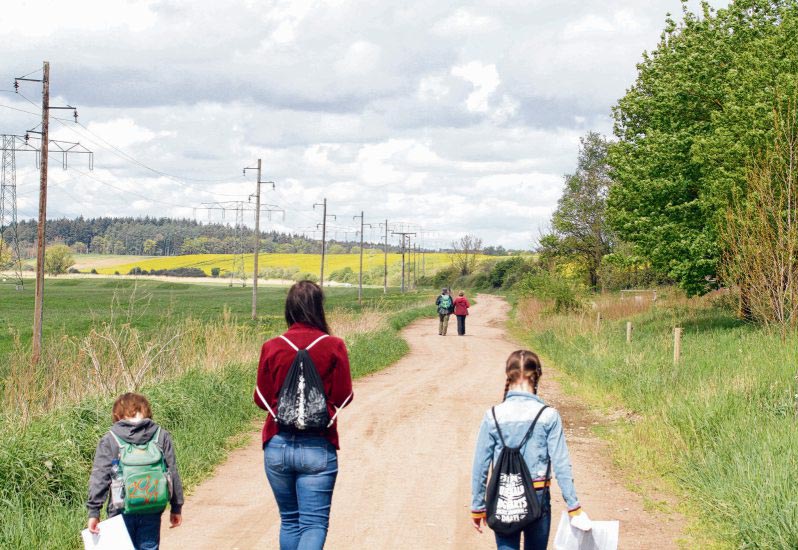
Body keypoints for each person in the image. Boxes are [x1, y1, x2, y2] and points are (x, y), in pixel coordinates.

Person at [254, 280, 354, 550]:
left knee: (289, 521)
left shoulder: (272, 346)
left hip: (277, 444)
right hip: (318, 446)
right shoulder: (334, 345)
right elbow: (345, 396)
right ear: (319, 308)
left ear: (289, 308)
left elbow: (260, 399)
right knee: (313, 524)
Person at [470, 350, 590, 549]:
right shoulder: (548, 415)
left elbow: (480, 465)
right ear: (537, 376)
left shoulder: (492, 415)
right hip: (538, 495)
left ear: (508, 375)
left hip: (504, 495)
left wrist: (477, 506)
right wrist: (573, 506)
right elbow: (561, 464)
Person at [87, 392, 184, 550]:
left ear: (117, 416)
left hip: (120, 509)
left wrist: (93, 512)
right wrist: (176, 506)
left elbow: (100, 477)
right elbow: (172, 472)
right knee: (149, 547)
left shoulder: (111, 439)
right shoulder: (160, 436)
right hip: (152, 505)